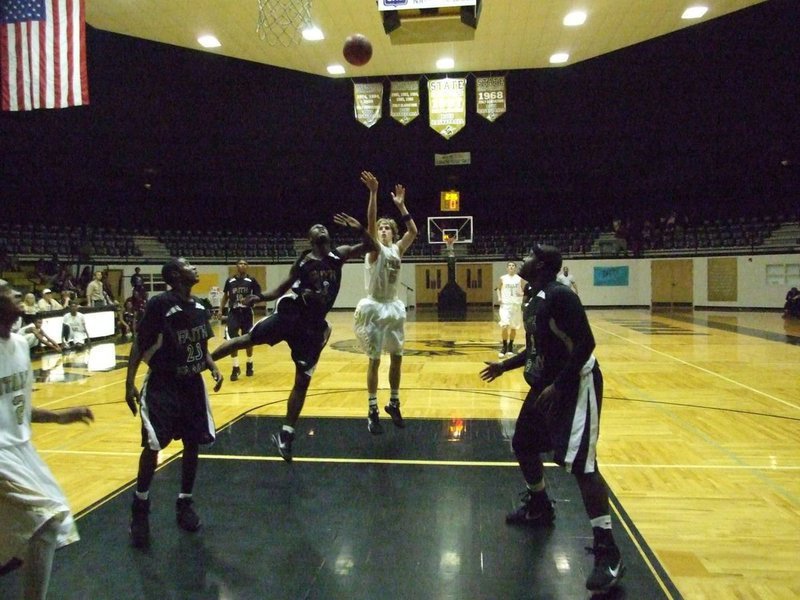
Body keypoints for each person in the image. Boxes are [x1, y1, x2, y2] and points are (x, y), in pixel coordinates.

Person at [479, 244, 624, 594]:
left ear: (541, 264)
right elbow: (537, 348)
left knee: (582, 466)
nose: (523, 259)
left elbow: (586, 344)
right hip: (547, 384)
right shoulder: (534, 296)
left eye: (529, 255)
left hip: (575, 384)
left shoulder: (561, 296)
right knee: (523, 444)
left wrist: (559, 386)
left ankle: (608, 550)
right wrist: (505, 365)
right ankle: (540, 506)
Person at [211, 212, 377, 462]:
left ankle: (286, 434)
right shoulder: (303, 263)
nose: (320, 226)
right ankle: (202, 363)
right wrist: (261, 298)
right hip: (291, 315)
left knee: (302, 381)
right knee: (246, 340)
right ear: (310, 239)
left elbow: (372, 247)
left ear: (328, 236)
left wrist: (360, 229)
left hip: (312, 328)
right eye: (315, 226)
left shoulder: (338, 255)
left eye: (323, 225)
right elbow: (281, 288)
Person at [0, 281, 94, 600]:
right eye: (6, 292)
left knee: (42, 527)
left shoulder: (21, 345)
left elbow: (20, 408)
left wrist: (59, 416)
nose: (14, 294)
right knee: (47, 518)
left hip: (21, 450)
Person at [124, 258, 223, 549]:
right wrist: (128, 382)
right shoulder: (159, 304)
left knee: (192, 443)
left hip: (192, 384)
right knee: (153, 445)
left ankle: (185, 503)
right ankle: (140, 508)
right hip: (163, 385)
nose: (194, 267)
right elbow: (140, 342)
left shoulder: (201, 306)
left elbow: (199, 347)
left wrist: (212, 365)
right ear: (176, 276)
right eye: (188, 265)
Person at [353, 171, 418, 435]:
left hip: (393, 307)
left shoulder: (398, 249)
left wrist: (401, 206)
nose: (383, 230)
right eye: (380, 228)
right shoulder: (374, 250)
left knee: (398, 358)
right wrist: (373, 193)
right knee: (374, 361)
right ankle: (371, 409)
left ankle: (393, 402)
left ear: (393, 233)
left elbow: (413, 230)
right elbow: (369, 221)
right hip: (374, 307)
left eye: (387, 228)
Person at [219, 260, 262, 381]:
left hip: (247, 313)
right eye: (240, 263)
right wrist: (220, 310)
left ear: (247, 267)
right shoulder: (230, 281)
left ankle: (249, 363)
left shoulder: (251, 280)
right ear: (236, 266)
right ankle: (235, 367)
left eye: (244, 264)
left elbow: (258, 295)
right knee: (232, 341)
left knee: (248, 340)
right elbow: (225, 296)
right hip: (233, 313)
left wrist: (252, 300)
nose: (242, 265)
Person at [496, 261, 525, 357]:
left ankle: (510, 347)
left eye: (513, 266)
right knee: (504, 325)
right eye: (509, 266)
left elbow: (525, 291)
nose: (511, 267)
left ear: (515, 268)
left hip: (516, 305)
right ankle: (504, 347)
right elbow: (498, 289)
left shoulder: (519, 279)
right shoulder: (503, 278)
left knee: (513, 327)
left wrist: (521, 294)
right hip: (505, 305)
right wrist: (499, 297)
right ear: (507, 268)